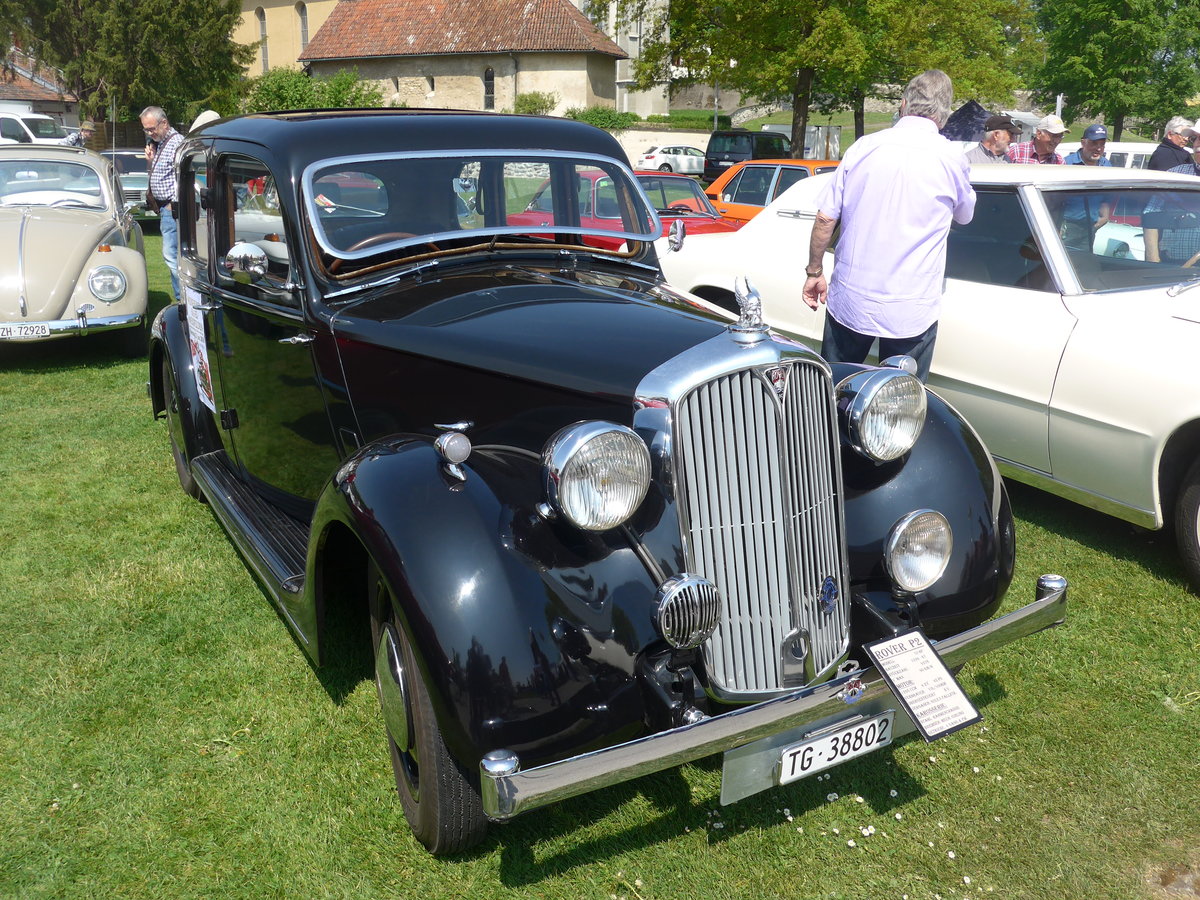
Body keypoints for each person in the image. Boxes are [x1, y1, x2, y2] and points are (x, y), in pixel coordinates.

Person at [802, 69, 975, 382]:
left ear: (903, 103)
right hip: (911, 308)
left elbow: (825, 217)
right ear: (945, 115)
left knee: (833, 391)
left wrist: (814, 272)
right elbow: (965, 216)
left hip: (852, 299)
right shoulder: (952, 158)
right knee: (898, 407)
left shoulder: (864, 147)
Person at [140, 106, 184, 301]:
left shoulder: (176, 143)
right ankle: (182, 298)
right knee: (172, 257)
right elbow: (158, 175)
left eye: (152, 129)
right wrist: (150, 161)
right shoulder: (160, 144)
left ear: (164, 123)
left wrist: (173, 204)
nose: (149, 133)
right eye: (146, 130)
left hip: (172, 209)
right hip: (166, 209)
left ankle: (183, 299)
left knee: (171, 256)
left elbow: (182, 178)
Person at [1059, 125, 1113, 249]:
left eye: (1102, 144)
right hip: (1066, 226)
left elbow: (1107, 196)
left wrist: (1104, 217)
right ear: (1083, 143)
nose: (1098, 148)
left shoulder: (1106, 166)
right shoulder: (1067, 164)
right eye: (1094, 143)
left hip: (1091, 226)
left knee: (1084, 264)